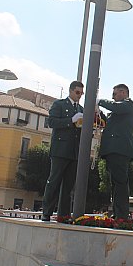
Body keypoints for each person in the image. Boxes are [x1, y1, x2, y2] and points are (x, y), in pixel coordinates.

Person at [42, 81, 84, 221]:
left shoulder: (81, 109)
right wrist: (70, 120)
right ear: (71, 91)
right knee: (54, 181)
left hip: (74, 151)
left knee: (68, 186)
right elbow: (52, 122)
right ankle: (46, 212)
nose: (79, 96)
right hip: (60, 149)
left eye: (81, 93)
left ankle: (64, 215)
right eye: (77, 92)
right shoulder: (59, 104)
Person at [98, 84, 133, 220]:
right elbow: (108, 123)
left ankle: (121, 215)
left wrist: (100, 101)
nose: (113, 97)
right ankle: (118, 213)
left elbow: (116, 107)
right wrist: (99, 113)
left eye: (114, 94)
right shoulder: (117, 111)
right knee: (115, 184)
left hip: (120, 150)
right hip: (113, 150)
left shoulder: (128, 105)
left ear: (123, 92)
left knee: (120, 184)